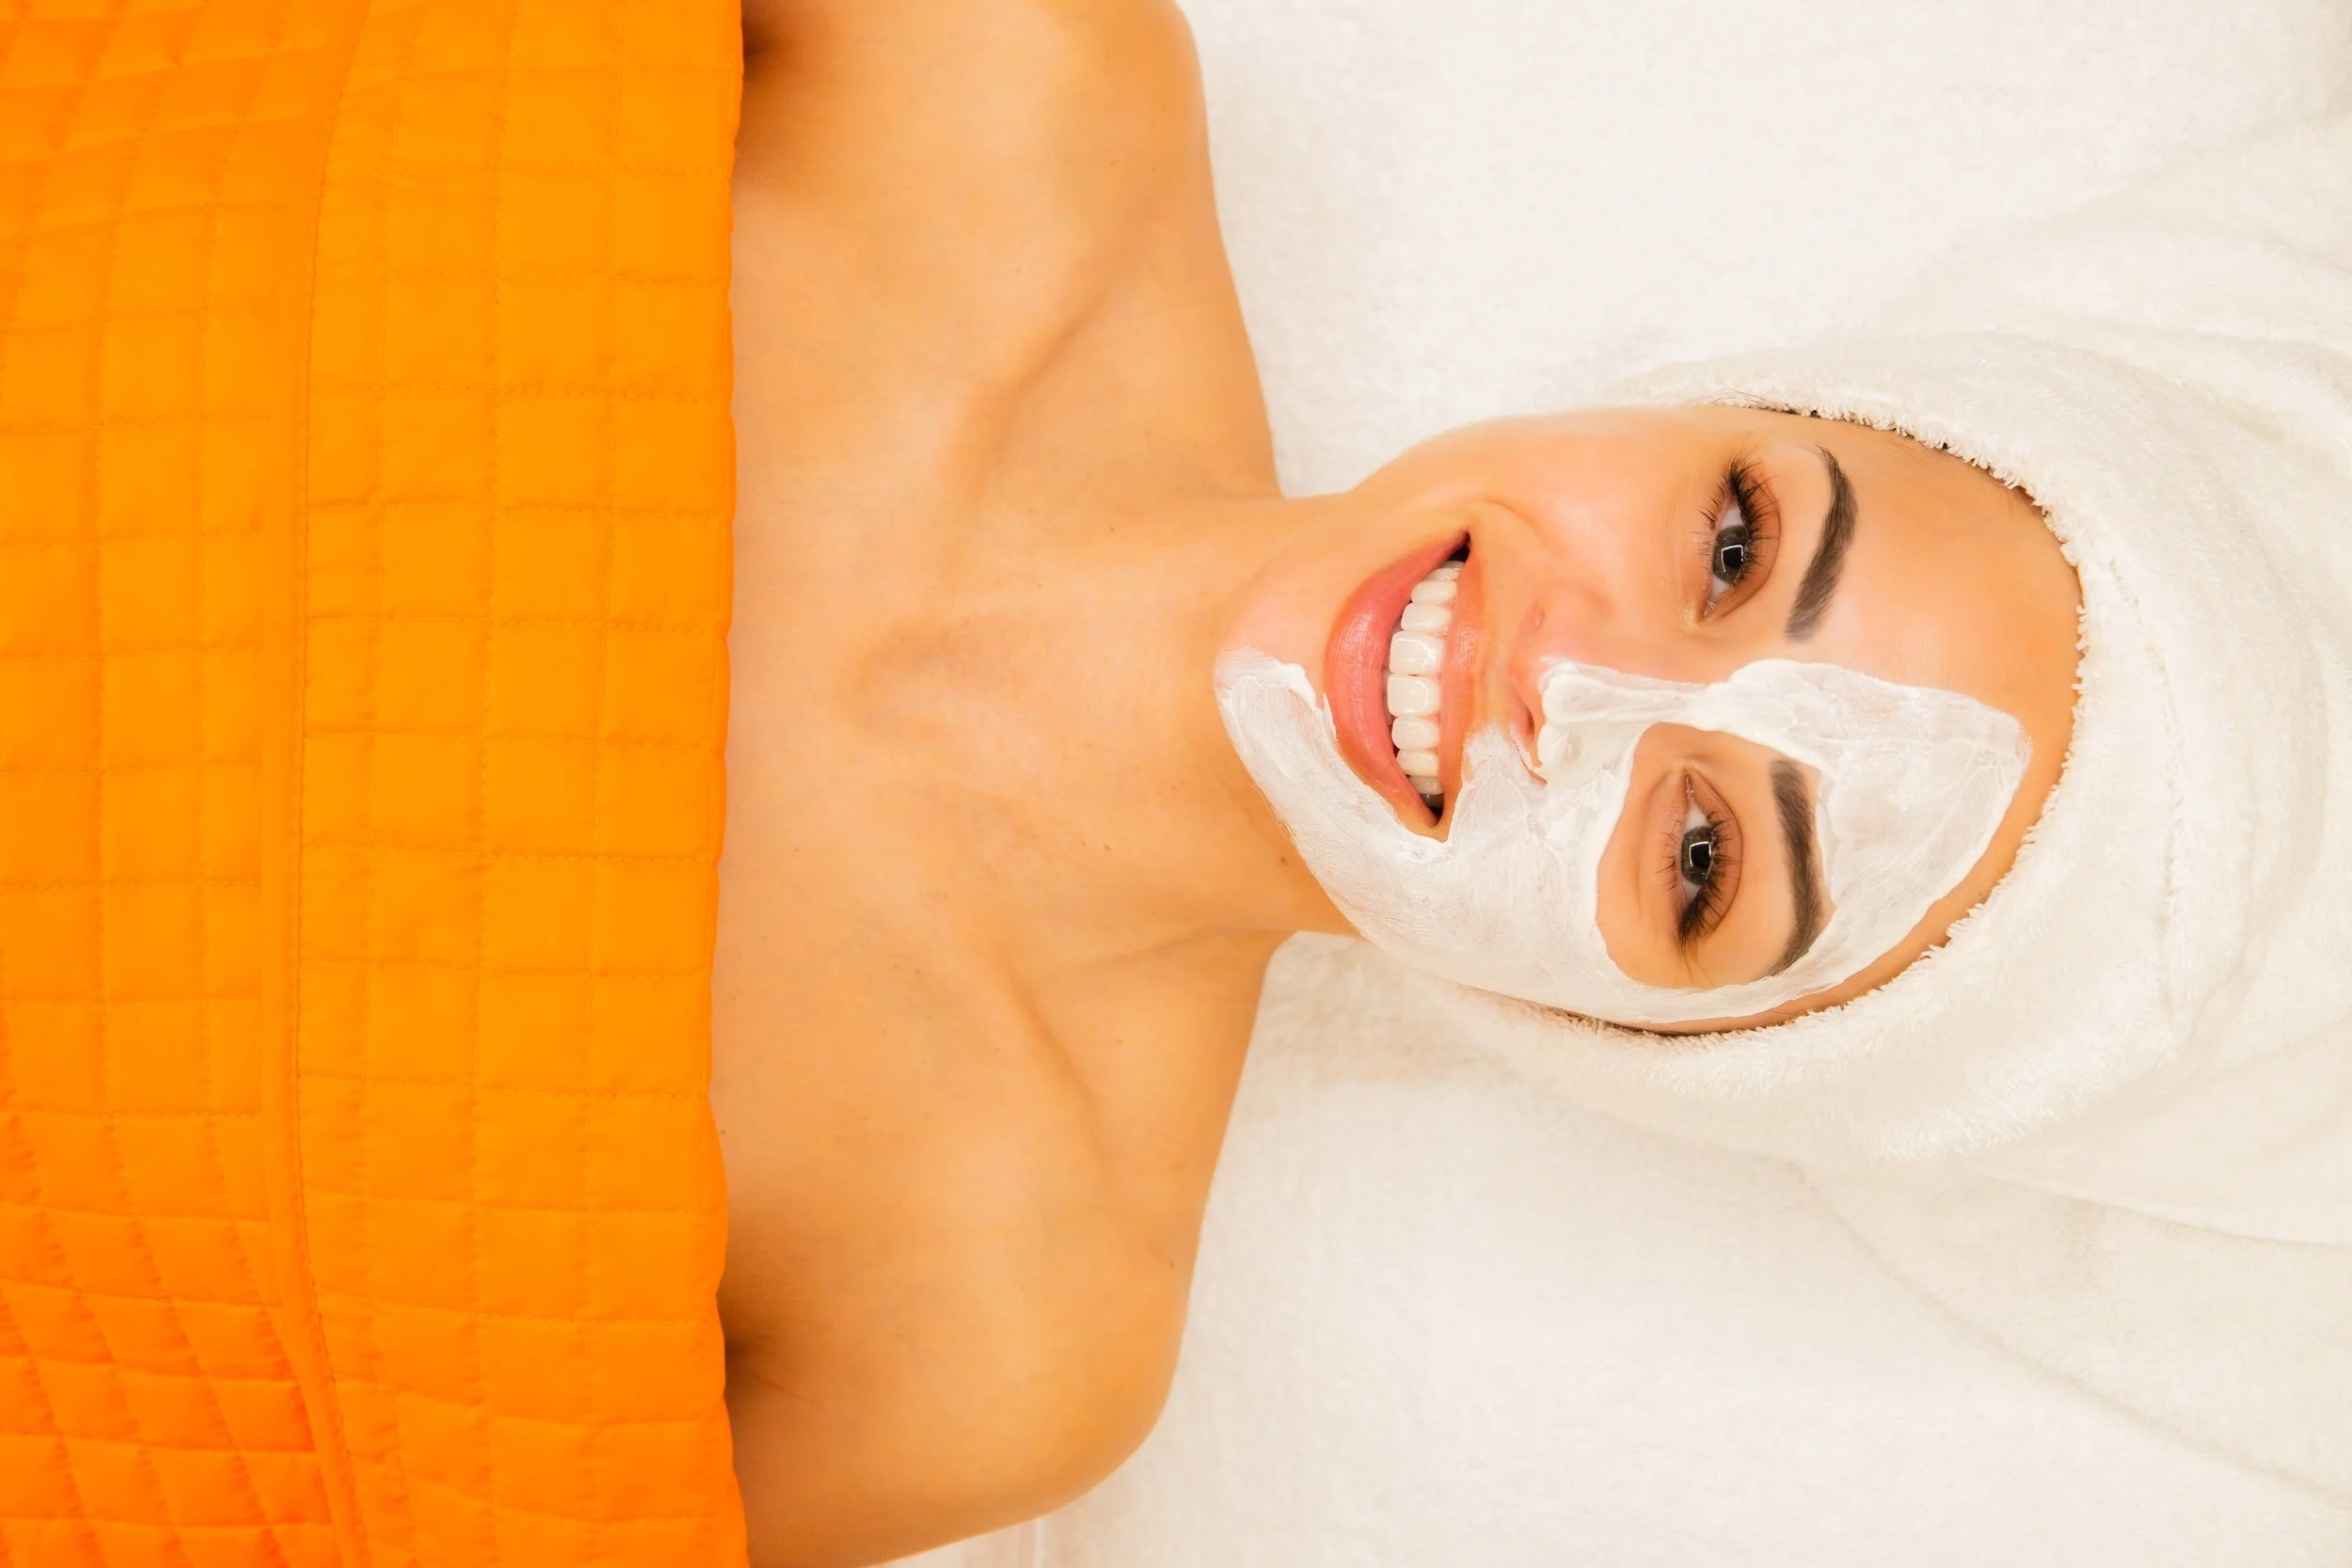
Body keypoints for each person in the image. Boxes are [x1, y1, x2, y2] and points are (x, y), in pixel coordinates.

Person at [713, 3, 2080, 1561]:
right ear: (1707, 399)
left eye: (1703, 856)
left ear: (1643, 1038)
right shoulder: (1005, 62)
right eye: (1734, 546)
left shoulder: (987, 1344)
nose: (1571, 682)